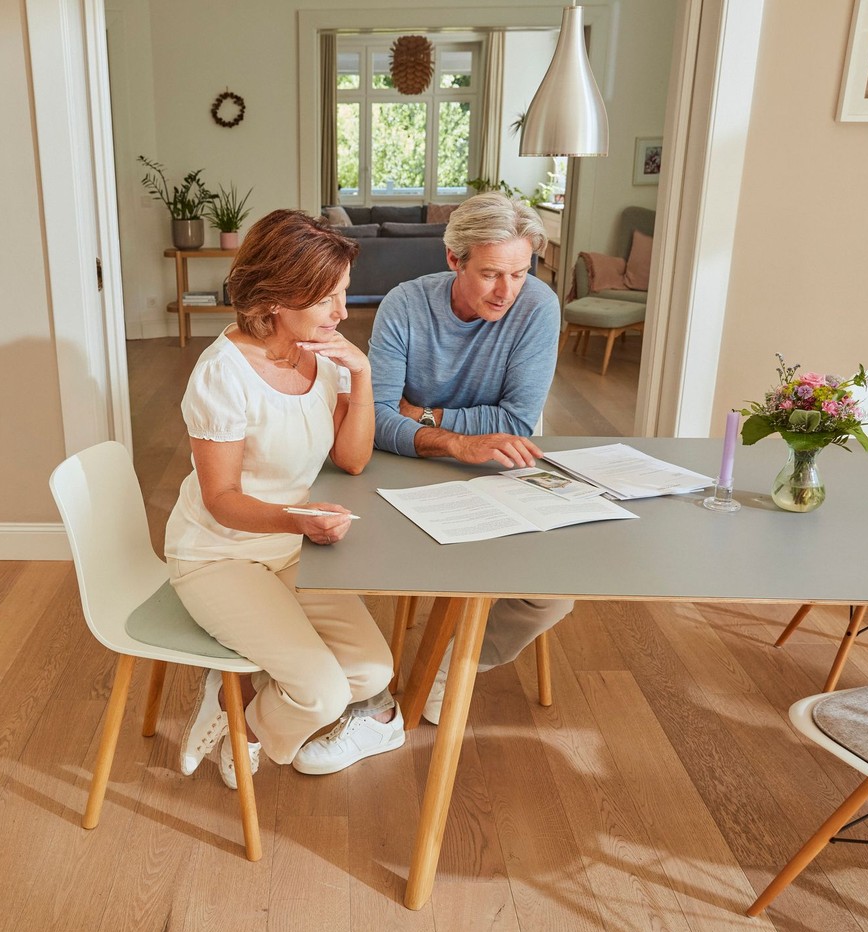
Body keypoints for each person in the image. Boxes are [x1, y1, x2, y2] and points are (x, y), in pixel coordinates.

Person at [166, 209, 403, 789]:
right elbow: (221, 498)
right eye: (328, 300)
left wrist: (363, 377)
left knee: (373, 671)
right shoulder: (222, 374)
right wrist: (298, 519)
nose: (343, 314)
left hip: (291, 545)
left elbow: (351, 459)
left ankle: (240, 711)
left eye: (344, 295)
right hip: (220, 554)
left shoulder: (320, 351)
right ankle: (241, 718)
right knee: (321, 694)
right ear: (276, 297)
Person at [367, 191, 573, 724]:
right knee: (355, 559)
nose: (507, 292)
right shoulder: (405, 305)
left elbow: (515, 425)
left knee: (553, 594)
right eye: (490, 274)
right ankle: (371, 683)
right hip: (407, 469)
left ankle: (452, 665)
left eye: (521, 273)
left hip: (501, 470)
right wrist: (457, 440)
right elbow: (375, 418)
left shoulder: (537, 306)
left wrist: (424, 417)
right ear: (453, 258)